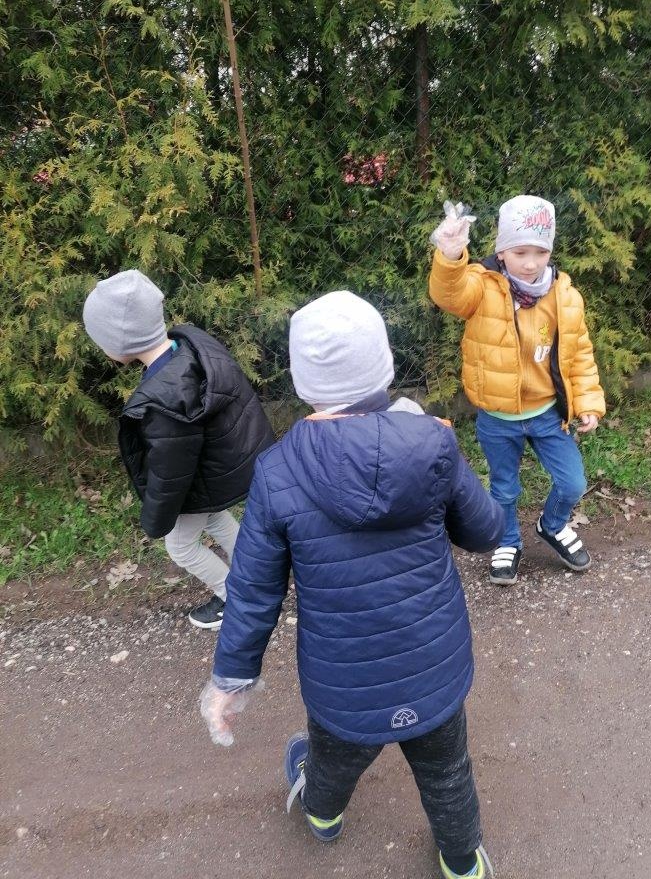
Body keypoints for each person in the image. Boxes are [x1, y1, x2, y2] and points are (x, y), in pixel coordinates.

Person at [199, 291, 504, 879]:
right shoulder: (433, 443)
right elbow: (486, 531)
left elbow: (254, 591)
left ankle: (322, 815)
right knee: (447, 772)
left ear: (303, 383)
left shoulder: (278, 472)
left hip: (343, 683)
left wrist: (231, 680)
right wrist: (437, 452)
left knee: (332, 762)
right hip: (433, 668)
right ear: (384, 367)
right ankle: (463, 862)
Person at [429, 196, 606, 586]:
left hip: (547, 414)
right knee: (504, 488)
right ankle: (507, 540)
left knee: (573, 482)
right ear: (501, 252)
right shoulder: (482, 287)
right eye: (520, 252)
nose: (530, 263)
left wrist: (588, 401)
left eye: (540, 252)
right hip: (497, 418)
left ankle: (552, 525)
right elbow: (448, 294)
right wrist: (451, 255)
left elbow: (579, 354)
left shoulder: (565, 297)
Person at [82, 269, 274, 628]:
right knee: (214, 518)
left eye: (102, 339)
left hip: (202, 477)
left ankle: (235, 598)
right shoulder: (186, 349)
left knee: (181, 547)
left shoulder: (164, 401)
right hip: (218, 469)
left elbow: (170, 472)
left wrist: (156, 519)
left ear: (122, 342)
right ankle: (260, 573)